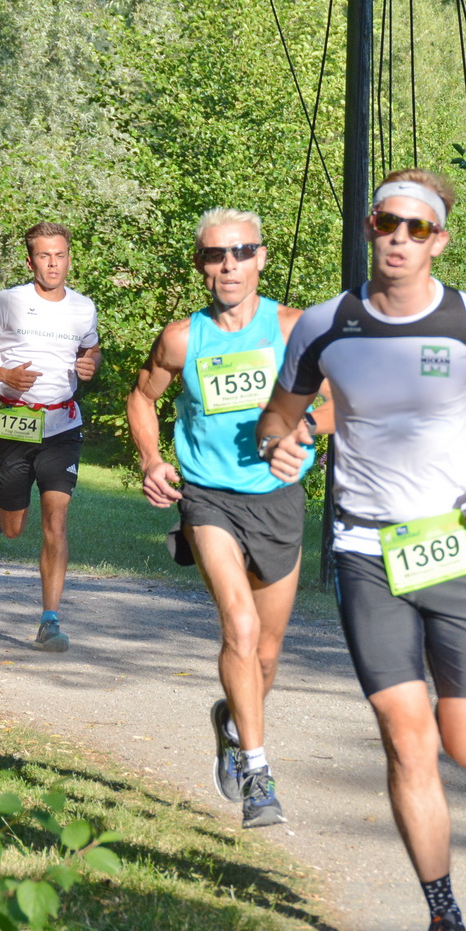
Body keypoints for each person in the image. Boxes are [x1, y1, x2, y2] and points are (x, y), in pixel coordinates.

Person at [257, 169, 466, 931]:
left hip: (455, 551)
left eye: (416, 228)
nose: (398, 238)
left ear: (439, 240)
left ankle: (446, 882)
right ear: (368, 227)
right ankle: (443, 914)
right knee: (406, 736)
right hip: (365, 552)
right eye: (387, 223)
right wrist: (283, 444)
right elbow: (279, 421)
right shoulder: (326, 325)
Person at [127, 207, 334, 828]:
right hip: (208, 497)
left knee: (266, 656)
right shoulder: (182, 339)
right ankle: (258, 772)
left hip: (278, 499)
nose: (230, 265)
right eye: (217, 255)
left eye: (242, 252)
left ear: (261, 258)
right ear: (202, 266)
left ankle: (232, 720)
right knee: (239, 629)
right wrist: (151, 458)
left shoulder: (295, 329)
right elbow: (143, 395)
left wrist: (306, 427)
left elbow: (337, 399)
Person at [0, 222, 102, 652]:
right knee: (14, 527)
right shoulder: (8, 302)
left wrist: (90, 362)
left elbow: (90, 349)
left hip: (63, 425)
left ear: (68, 258)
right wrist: (4, 374)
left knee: (55, 522)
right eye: (44, 255)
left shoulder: (83, 308)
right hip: (14, 423)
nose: (53, 263)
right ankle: (0, 509)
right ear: (30, 260)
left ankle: (50, 620)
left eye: (59, 254)